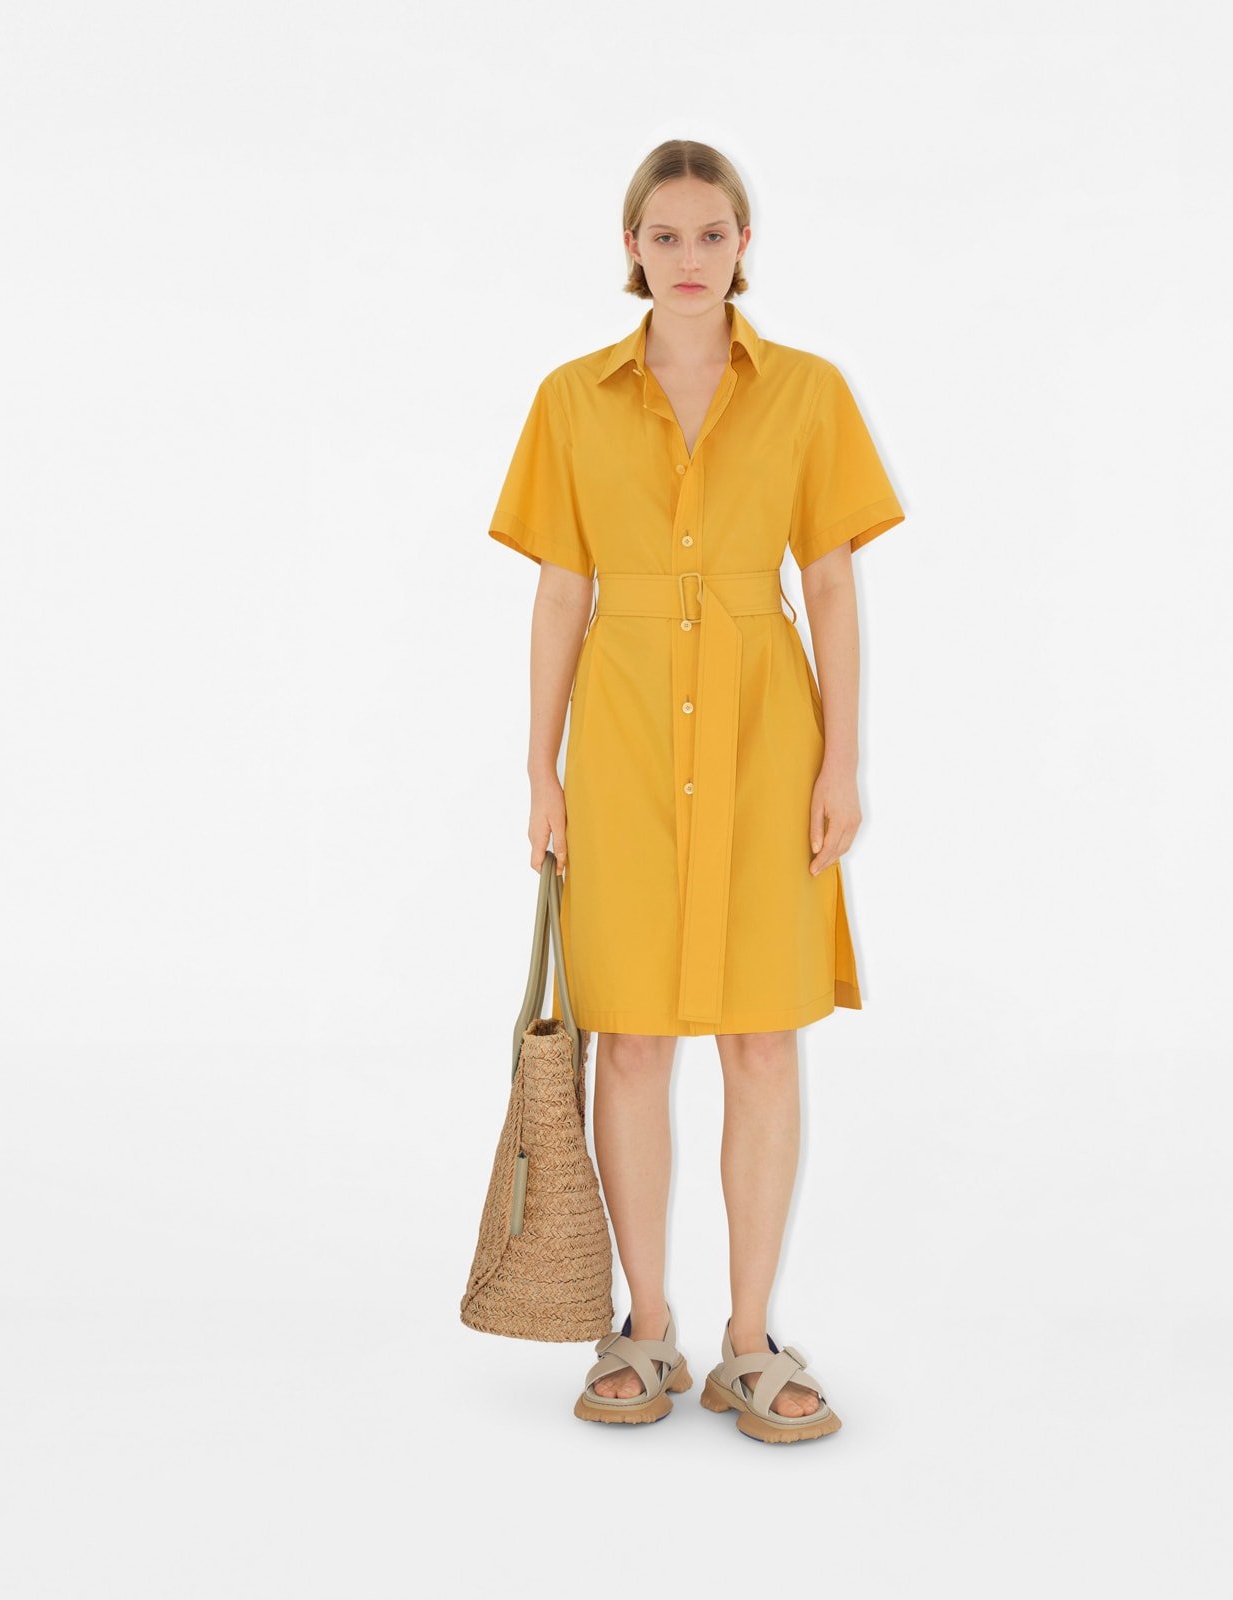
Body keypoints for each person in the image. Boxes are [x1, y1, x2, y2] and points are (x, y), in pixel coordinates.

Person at [485, 140, 904, 1443]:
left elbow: (828, 581)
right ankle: (647, 1328)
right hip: (619, 744)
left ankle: (751, 1340)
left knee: (762, 1037)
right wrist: (540, 769)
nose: (688, 258)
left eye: (710, 234)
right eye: (663, 236)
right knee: (631, 1039)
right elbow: (561, 592)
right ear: (631, 248)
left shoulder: (809, 392)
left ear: (743, 244)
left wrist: (842, 760)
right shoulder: (570, 400)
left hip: (767, 738)